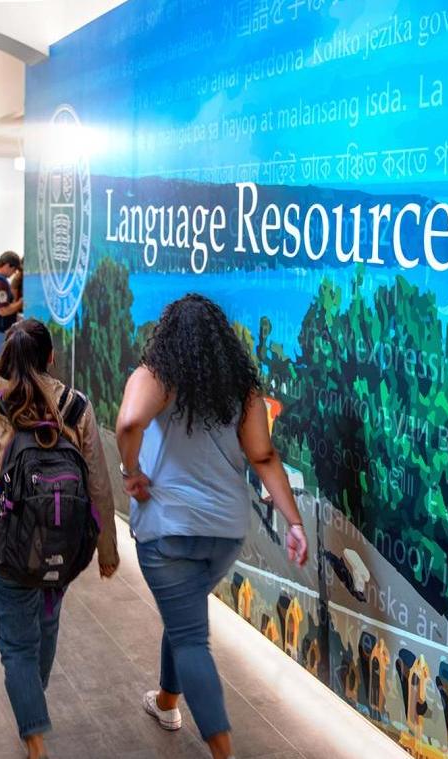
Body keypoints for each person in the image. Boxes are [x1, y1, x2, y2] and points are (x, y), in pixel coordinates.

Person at [114, 293, 308, 759]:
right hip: (224, 532)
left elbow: (128, 423)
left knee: (190, 638)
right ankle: (166, 702)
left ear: (168, 336)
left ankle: (223, 752)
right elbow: (263, 457)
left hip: (170, 529)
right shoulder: (242, 393)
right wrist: (294, 522)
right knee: (184, 617)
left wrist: (130, 472)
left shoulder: (156, 378)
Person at [0, 319, 120, 759]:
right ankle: (33, 694)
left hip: (4, 546)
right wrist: (106, 550)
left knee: (15, 644)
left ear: (8, 359)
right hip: (60, 547)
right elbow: (98, 483)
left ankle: (35, 739)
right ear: (50, 357)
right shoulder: (77, 407)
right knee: (45, 627)